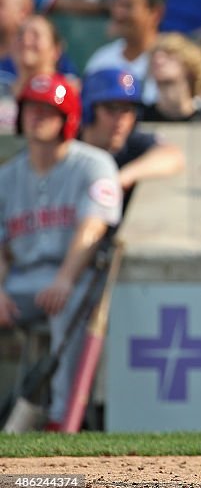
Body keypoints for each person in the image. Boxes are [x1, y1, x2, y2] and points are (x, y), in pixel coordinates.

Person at [0, 74, 122, 428]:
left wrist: (65, 279)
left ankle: (62, 421)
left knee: (67, 305)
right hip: (21, 279)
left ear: (67, 118)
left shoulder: (93, 164)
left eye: (48, 111)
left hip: (75, 276)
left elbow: (93, 226)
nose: (37, 117)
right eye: (31, 109)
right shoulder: (7, 176)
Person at [78, 68, 184, 208]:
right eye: (112, 108)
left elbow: (172, 155)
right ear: (89, 110)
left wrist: (123, 177)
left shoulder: (131, 143)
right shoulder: (66, 144)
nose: (121, 119)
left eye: (128, 109)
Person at [84, 0, 165, 104]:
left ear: (155, 13)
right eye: (116, 4)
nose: (118, 13)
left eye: (128, 6)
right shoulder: (101, 61)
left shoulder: (174, 61)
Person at [140, 32, 201, 122]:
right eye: (155, 56)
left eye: (169, 54)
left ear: (189, 65)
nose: (158, 60)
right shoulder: (142, 120)